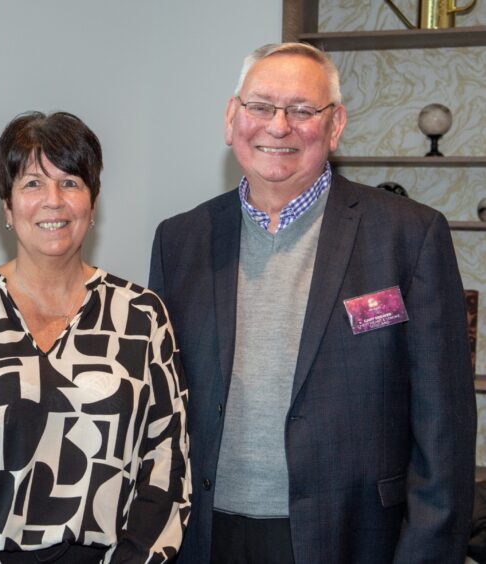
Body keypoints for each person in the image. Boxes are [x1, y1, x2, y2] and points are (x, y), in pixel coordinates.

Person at [149, 42, 476, 563]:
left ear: (336, 124)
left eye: (302, 110)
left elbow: (445, 429)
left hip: (353, 537)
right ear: (232, 117)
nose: (278, 126)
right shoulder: (179, 240)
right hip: (205, 538)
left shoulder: (408, 236)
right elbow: (159, 410)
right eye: (260, 106)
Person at [0, 111, 190, 563]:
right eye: (32, 183)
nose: (53, 200)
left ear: (93, 204)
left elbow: (167, 462)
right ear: (8, 208)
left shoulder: (141, 316)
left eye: (71, 182)